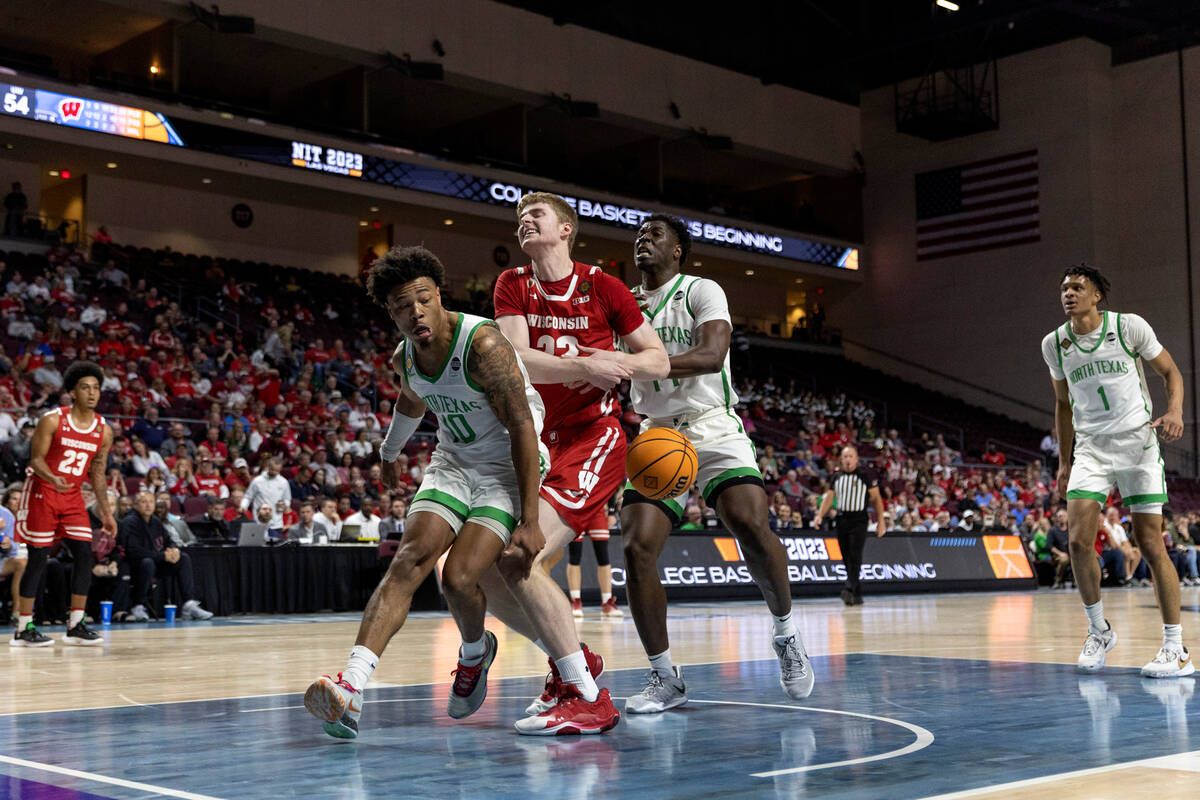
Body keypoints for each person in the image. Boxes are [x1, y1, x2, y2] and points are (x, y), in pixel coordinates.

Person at [305, 245, 618, 739]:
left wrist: (531, 519)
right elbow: (412, 399)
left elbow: (520, 427)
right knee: (409, 560)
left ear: (438, 295)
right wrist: (389, 454)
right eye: (402, 306)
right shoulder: (405, 356)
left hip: (507, 468)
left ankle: (481, 656)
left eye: (423, 299)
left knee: (459, 577)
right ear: (391, 312)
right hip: (453, 463)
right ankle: (352, 685)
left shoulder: (483, 345)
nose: (415, 312)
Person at [614, 214, 814, 714]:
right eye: (639, 233)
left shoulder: (701, 290)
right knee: (638, 548)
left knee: (748, 521)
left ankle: (786, 634)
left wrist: (639, 363)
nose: (643, 238)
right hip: (657, 434)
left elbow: (711, 353)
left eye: (655, 234)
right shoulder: (624, 306)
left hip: (711, 423)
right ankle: (665, 676)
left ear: (678, 250)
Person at [487, 192, 669, 727]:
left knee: (520, 556)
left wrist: (613, 362)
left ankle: (587, 697)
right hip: (536, 443)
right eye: (519, 217)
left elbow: (656, 359)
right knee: (481, 573)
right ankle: (574, 664)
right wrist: (587, 366)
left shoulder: (603, 286)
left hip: (594, 436)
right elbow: (514, 358)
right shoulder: (513, 283)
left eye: (536, 215)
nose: (524, 221)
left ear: (565, 229)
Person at [1042, 263, 1191, 677]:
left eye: (1077, 286)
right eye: (1064, 287)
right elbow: (1063, 404)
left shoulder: (1128, 328)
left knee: (1150, 541)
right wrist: (1064, 461)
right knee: (1076, 541)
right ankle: (1098, 630)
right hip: (1091, 448)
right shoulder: (1054, 344)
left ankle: (1176, 649)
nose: (1068, 293)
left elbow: (1171, 372)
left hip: (1138, 443)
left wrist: (1175, 409)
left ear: (1096, 296)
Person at [11, 361, 115, 647]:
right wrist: (52, 477)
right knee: (38, 558)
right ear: (72, 392)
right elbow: (35, 460)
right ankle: (23, 628)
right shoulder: (53, 419)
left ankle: (76, 624)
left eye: (96, 388)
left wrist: (106, 512)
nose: (92, 393)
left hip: (72, 497)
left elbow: (97, 473)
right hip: (42, 492)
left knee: (85, 553)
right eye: (85, 387)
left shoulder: (104, 430)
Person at [120, 492, 213, 622]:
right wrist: (163, 556)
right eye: (143, 502)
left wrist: (174, 550)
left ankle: (189, 605)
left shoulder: (155, 521)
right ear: (135, 505)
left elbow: (168, 540)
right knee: (147, 562)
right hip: (134, 566)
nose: (148, 505)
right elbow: (134, 552)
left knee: (184, 558)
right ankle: (137, 605)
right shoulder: (129, 522)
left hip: (156, 563)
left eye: (151, 502)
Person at [566, 510, 623, 619]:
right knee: (574, 555)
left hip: (597, 509)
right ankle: (575, 601)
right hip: (576, 508)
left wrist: (612, 511)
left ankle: (607, 602)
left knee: (603, 556)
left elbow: (610, 491)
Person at [242, 456, 291, 529]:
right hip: (258, 523)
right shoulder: (257, 481)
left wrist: (284, 505)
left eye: (277, 471)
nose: (274, 472)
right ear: (268, 467)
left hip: (276, 523)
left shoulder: (284, 482)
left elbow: (287, 499)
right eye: (272, 469)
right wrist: (243, 506)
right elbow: (248, 497)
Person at [1, 487, 26, 621]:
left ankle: (18, 611)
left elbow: (12, 548)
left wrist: (8, 544)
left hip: (3, 560)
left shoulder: (6, 515)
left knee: (22, 563)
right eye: (14, 499)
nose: (17, 502)